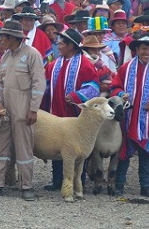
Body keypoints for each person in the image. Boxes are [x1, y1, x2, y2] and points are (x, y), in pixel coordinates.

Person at [0, 20, 46, 201]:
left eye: (3, 37)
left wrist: (33, 109)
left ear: (12, 37)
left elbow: (39, 84)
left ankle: (27, 187)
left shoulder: (32, 55)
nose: (1, 40)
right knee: (0, 146)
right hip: (5, 109)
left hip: (23, 108)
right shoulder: (6, 56)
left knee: (24, 147)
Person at [110, 35, 149, 197]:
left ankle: (145, 186)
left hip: (148, 119)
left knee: (145, 153)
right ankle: (119, 184)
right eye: (144, 49)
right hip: (128, 118)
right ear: (137, 50)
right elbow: (115, 87)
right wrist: (122, 93)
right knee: (124, 153)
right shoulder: (126, 68)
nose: (147, 52)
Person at [42, 28, 100, 191]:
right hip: (57, 113)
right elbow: (46, 84)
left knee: (78, 148)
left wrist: (77, 96)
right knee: (57, 144)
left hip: (75, 115)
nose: (58, 46)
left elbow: (93, 87)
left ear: (71, 46)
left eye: (61, 44)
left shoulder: (85, 65)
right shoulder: (53, 65)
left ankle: (77, 181)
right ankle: (57, 179)